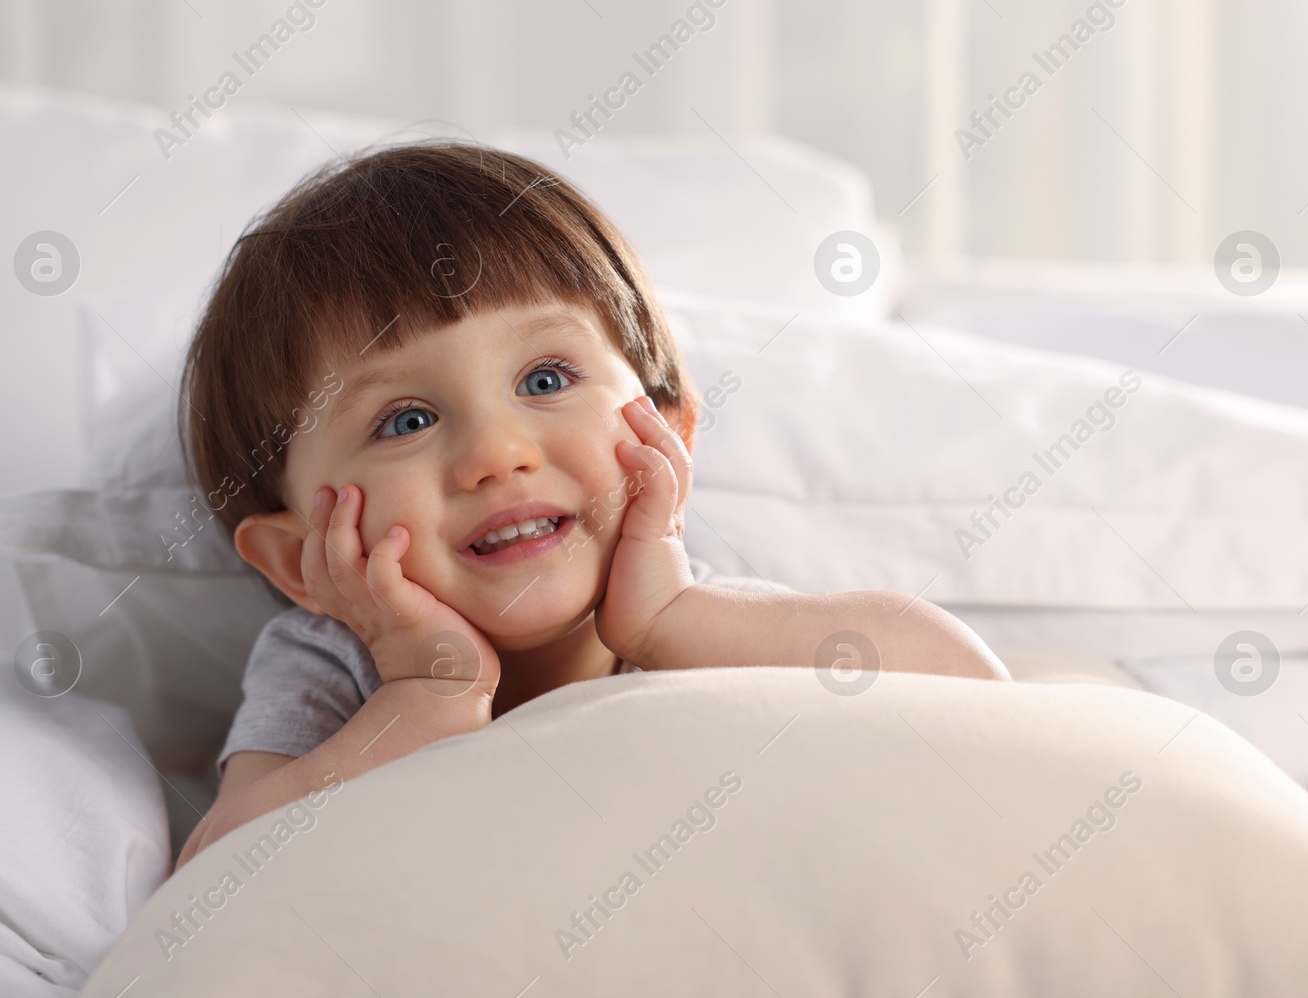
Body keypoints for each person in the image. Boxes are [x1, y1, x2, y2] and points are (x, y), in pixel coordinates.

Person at [174, 140, 1008, 868]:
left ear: (668, 436)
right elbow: (213, 875)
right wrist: (427, 694)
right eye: (407, 420)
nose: (498, 455)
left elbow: (976, 696)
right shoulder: (329, 664)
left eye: (546, 379)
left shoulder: (700, 623)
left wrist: (670, 620)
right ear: (301, 562)